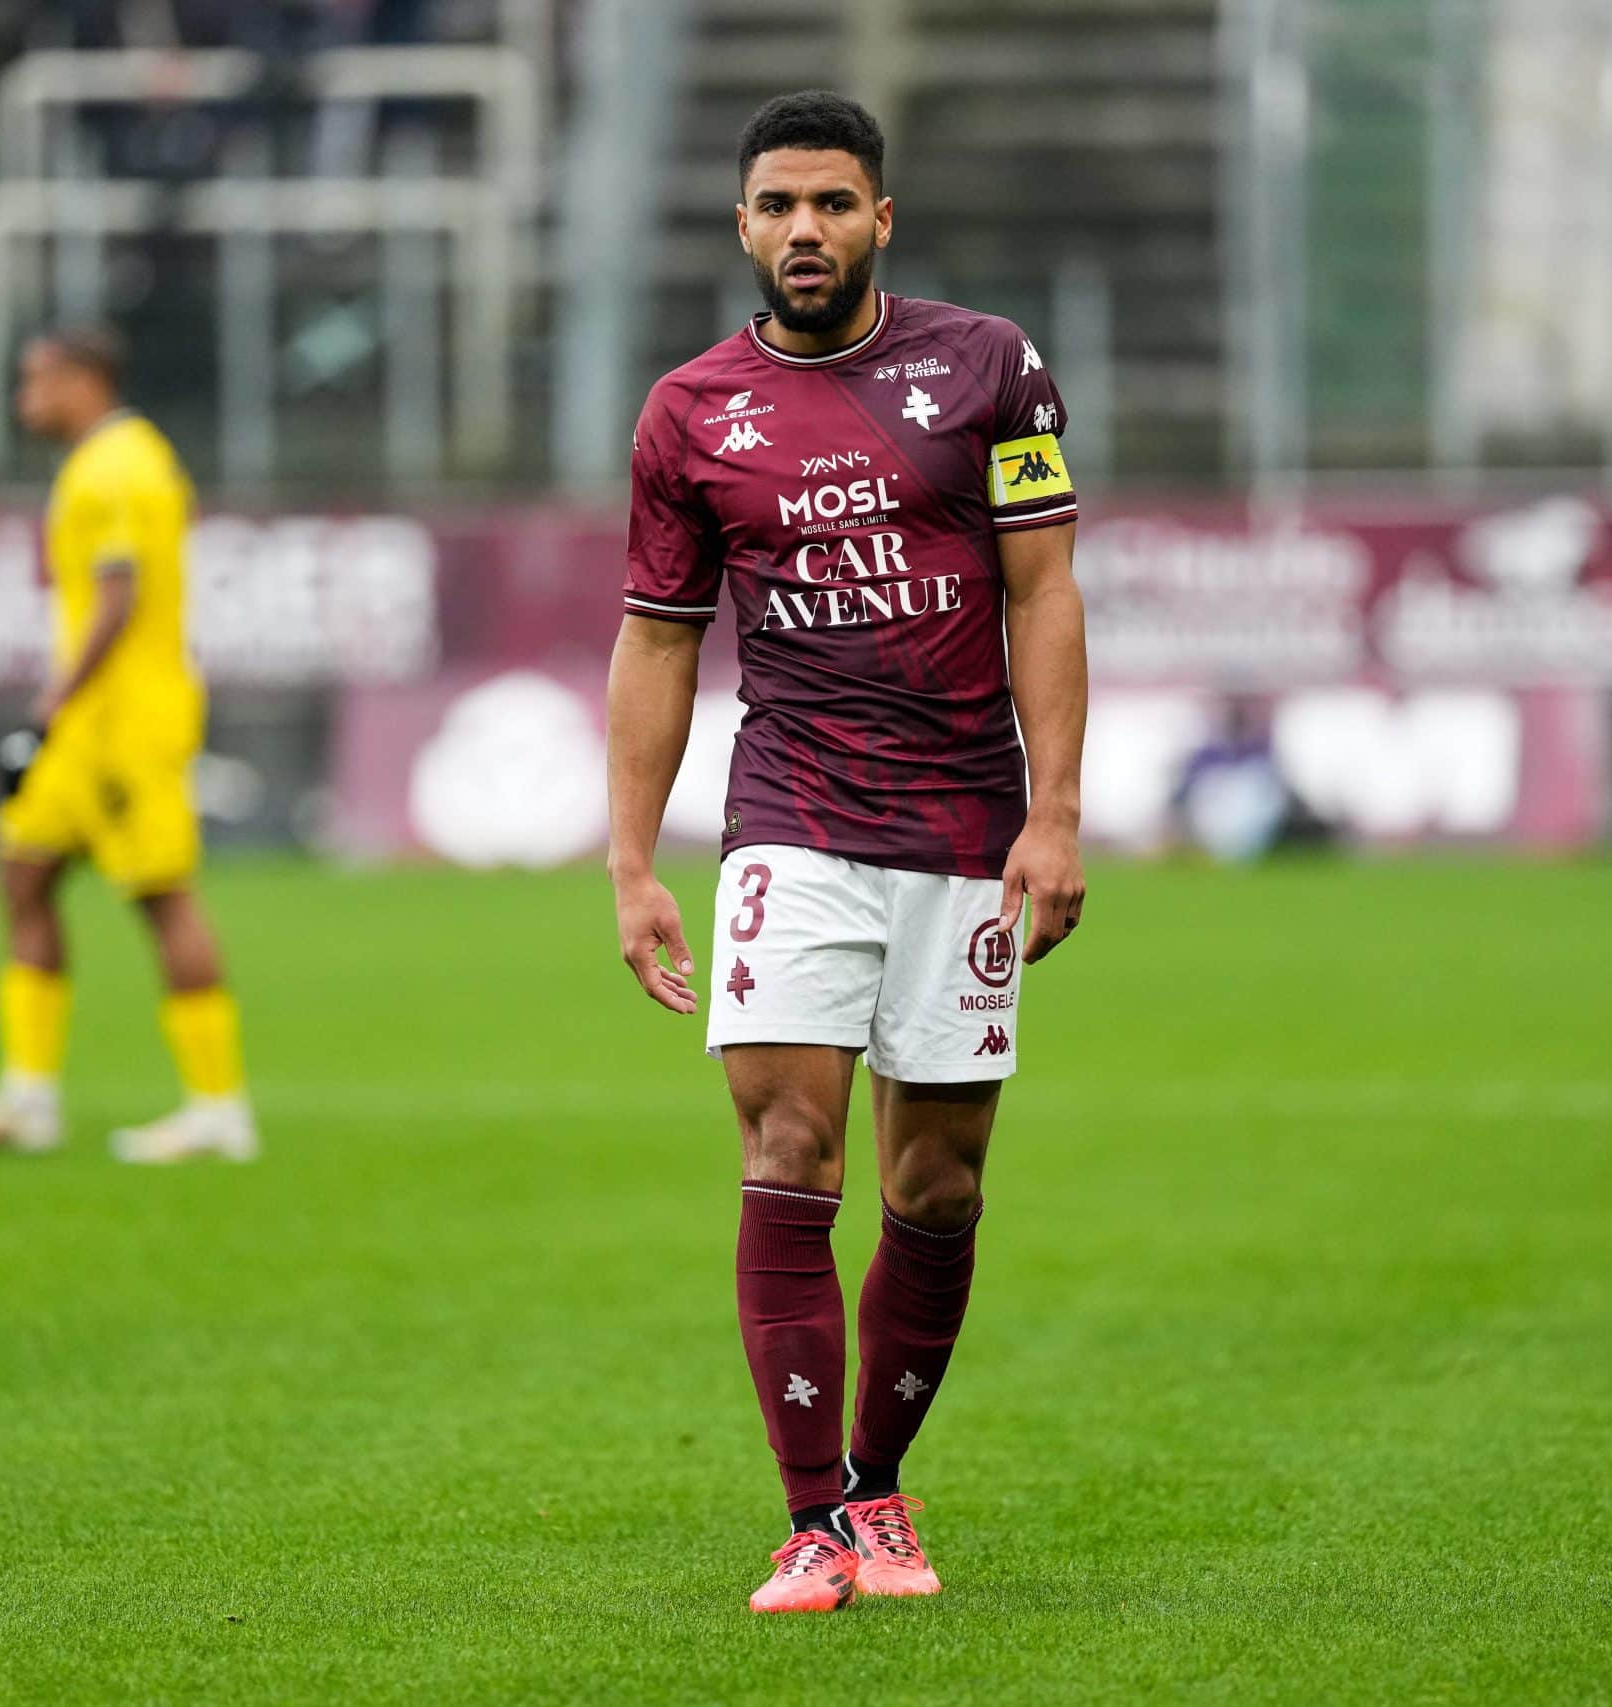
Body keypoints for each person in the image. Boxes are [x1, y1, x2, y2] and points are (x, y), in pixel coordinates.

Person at [603, 91, 1091, 1614]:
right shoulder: (690, 412)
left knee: (936, 1185)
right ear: (741, 226)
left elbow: (1045, 594)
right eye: (775, 206)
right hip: (793, 821)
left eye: (831, 203)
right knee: (788, 1147)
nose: (802, 229)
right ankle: (813, 1516)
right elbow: (657, 643)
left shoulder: (988, 367)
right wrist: (630, 858)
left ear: (884, 218)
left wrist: (1058, 810)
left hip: (960, 827)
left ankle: (881, 1485)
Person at [0, 324, 257, 1165]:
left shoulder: (116, 468)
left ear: (84, 380)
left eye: (36, 381)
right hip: (87, 727)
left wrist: (49, 704)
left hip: (122, 723)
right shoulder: (110, 459)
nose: (23, 400)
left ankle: (219, 1108)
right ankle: (28, 1096)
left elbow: (118, 597)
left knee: (161, 896)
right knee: (22, 872)